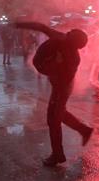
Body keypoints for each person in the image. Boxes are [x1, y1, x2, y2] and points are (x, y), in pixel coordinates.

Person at [14, 19, 93, 166]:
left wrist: (56, 65)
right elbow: (41, 26)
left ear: (74, 43)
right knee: (58, 114)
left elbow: (64, 80)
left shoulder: (73, 59)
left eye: (70, 34)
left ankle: (57, 155)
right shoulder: (61, 38)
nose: (67, 33)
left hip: (62, 87)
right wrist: (20, 24)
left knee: (53, 119)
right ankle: (83, 130)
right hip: (57, 83)